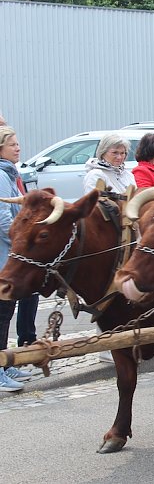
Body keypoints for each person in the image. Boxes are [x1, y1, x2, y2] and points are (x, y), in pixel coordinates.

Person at [0, 126, 33, 390]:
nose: (18, 148)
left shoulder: (9, 172)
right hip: (3, 257)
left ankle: (4, 364)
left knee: (6, 313)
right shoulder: (1, 174)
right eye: (13, 144)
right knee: (1, 314)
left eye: (18, 143)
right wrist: (22, 244)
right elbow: (3, 219)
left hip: (8, 255)